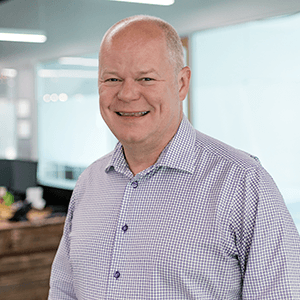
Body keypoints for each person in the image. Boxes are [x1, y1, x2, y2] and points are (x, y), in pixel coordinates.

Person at [48, 15, 300, 299]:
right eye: (112, 79)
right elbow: (63, 292)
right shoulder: (89, 182)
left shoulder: (243, 183)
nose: (128, 93)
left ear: (181, 83)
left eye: (146, 78)